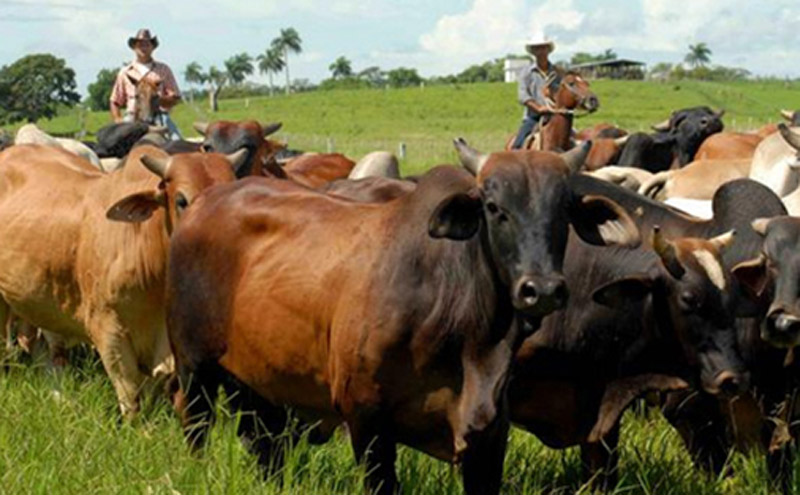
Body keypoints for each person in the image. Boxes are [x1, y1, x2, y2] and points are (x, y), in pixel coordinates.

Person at [109, 28, 183, 139]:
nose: (143, 47)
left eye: (147, 44)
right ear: (134, 47)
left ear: (152, 47)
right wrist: (117, 119)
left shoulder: (164, 69)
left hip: (160, 117)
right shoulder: (125, 72)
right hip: (132, 116)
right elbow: (114, 101)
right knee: (114, 143)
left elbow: (176, 97)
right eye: (140, 44)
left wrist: (160, 100)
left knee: (177, 141)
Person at [511, 39, 563, 149]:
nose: (541, 52)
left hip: (555, 115)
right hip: (533, 117)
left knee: (575, 140)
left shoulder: (557, 72)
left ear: (548, 50)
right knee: (518, 145)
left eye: (543, 48)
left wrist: (553, 96)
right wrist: (539, 108)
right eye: (537, 48)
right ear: (533, 52)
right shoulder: (526, 72)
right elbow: (523, 95)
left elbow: (563, 93)